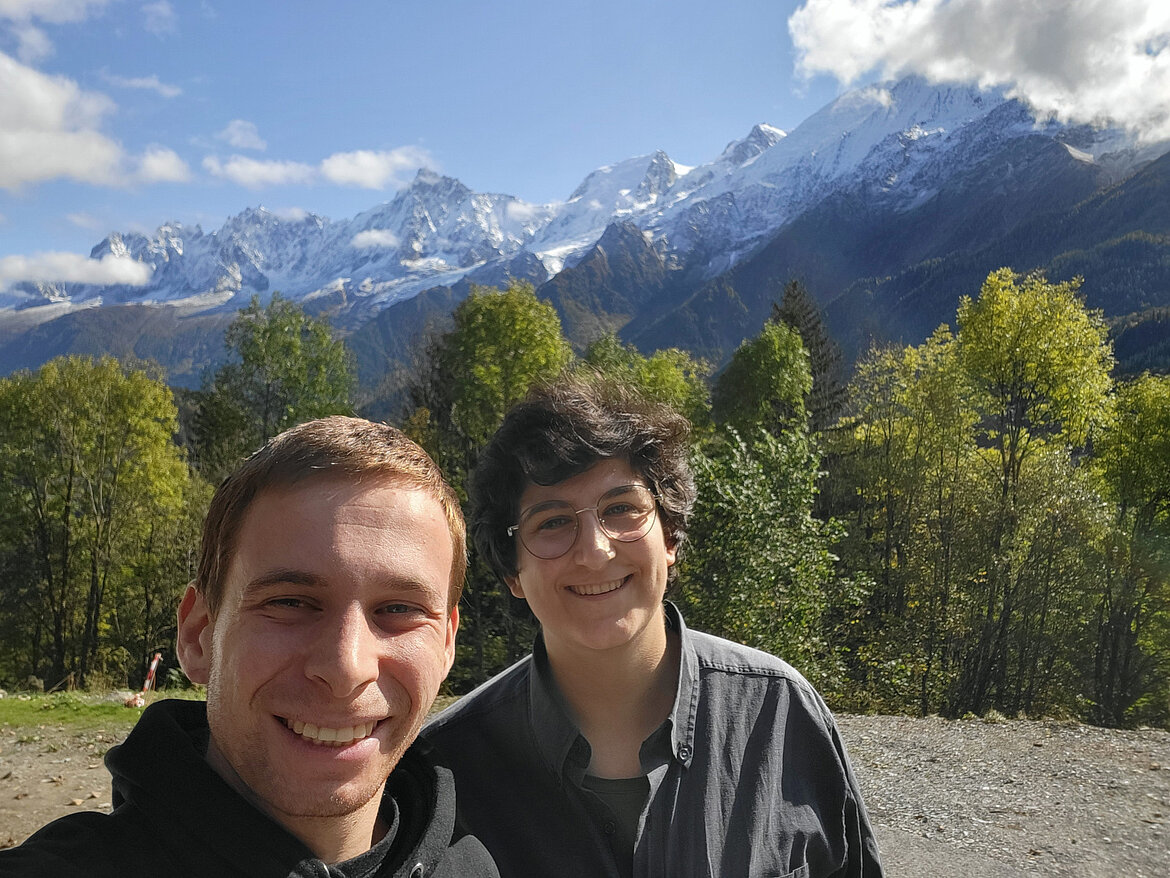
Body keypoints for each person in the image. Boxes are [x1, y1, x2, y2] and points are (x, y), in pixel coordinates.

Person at [422, 377, 883, 878]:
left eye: (621, 508)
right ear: (512, 571)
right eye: (552, 522)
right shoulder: (449, 768)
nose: (596, 551)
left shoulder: (780, 715)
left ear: (670, 535)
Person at [1, 417, 499, 878]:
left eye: (399, 610)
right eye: (291, 602)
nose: (347, 667)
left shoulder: (474, 867)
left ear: (447, 644)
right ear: (199, 635)